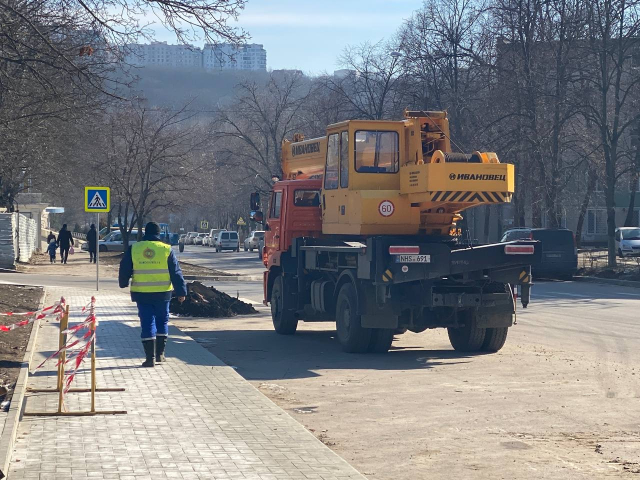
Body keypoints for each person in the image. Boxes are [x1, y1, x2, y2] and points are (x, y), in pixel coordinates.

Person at [118, 222, 187, 367]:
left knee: (147, 322)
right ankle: (160, 355)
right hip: (163, 294)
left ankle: (150, 358)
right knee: (162, 321)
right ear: (159, 233)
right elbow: (175, 272)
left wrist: (123, 282)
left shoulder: (135, 248)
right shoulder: (166, 249)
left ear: (145, 232)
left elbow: (124, 267)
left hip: (142, 294)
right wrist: (181, 292)